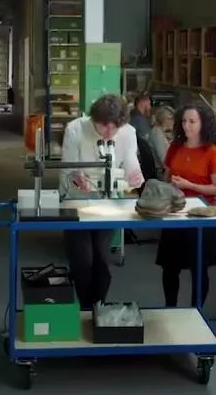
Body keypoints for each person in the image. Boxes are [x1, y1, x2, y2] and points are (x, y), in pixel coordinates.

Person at [60, 94, 146, 310]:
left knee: (101, 259)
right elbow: (68, 166)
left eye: (114, 128)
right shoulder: (75, 129)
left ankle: (98, 307)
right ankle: (85, 308)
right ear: (93, 120)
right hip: (76, 200)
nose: (108, 133)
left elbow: (131, 161)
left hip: (107, 202)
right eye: (103, 127)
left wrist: (135, 175)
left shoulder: (127, 132)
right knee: (82, 261)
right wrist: (76, 176)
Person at [157, 102, 216, 308]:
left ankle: (197, 311)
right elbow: (166, 177)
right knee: (169, 267)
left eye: (192, 122)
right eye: (184, 121)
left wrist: (189, 185)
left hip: (201, 215)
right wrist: (167, 186)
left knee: (199, 268)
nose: (187, 126)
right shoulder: (175, 147)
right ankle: (170, 308)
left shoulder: (212, 152)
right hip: (175, 211)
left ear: (203, 123)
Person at [147, 105, 176, 180]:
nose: (173, 121)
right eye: (170, 119)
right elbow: (165, 159)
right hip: (161, 173)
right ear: (162, 119)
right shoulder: (157, 133)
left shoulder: (167, 133)